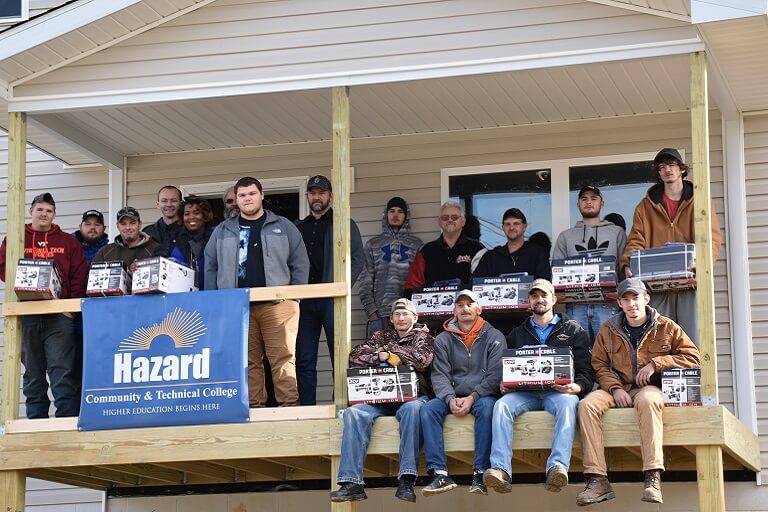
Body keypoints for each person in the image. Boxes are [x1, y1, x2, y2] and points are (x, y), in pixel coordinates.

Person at [576, 278, 700, 506]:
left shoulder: (666, 326)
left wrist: (657, 363)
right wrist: (614, 388)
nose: (631, 303)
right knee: (586, 405)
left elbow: (693, 358)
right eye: (626, 299)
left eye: (636, 297)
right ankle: (597, 479)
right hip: (617, 387)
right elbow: (599, 365)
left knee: (650, 399)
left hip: (649, 387)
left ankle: (652, 477)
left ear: (646, 298)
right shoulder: (608, 329)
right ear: (620, 303)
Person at [205, 176, 309, 407]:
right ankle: (255, 409)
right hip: (238, 305)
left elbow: (300, 262)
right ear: (236, 200)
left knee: (283, 358)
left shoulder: (283, 226)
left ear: (262, 196)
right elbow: (210, 266)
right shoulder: (222, 231)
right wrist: (215, 301)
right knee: (248, 361)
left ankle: (289, 408)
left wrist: (294, 297)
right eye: (242, 195)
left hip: (278, 303)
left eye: (251, 194)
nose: (247, 199)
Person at [484, 279, 594, 494]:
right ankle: (500, 469)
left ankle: (557, 466)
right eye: (535, 296)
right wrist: (504, 384)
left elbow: (586, 370)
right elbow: (506, 368)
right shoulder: (517, 333)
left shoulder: (573, 330)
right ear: (529, 301)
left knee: (568, 403)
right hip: (524, 393)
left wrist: (578, 387)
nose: (539, 299)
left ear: (554, 299)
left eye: (544, 295)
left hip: (558, 393)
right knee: (501, 405)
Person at [331, 298, 435, 503]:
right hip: (381, 398)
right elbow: (355, 356)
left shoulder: (424, 337)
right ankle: (351, 483)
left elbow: (422, 360)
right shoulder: (381, 336)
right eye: (397, 314)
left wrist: (390, 351)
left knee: (412, 410)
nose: (401, 318)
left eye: (405, 314)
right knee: (353, 413)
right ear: (391, 318)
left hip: (412, 397)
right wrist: (380, 357)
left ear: (415, 317)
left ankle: (406, 478)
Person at [0, 193, 88, 418]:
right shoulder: (16, 238)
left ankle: (65, 422)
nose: (44, 214)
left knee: (62, 372)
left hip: (59, 316)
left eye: (48, 211)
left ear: (54, 214)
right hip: (26, 315)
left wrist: (70, 309)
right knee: (32, 374)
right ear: (31, 212)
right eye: (40, 210)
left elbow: (79, 276)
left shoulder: (68, 242)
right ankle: (35, 421)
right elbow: (3, 268)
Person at [621, 148, 721, 341]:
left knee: (693, 339)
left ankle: (695, 372)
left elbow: (711, 238)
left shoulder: (700, 201)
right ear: (658, 173)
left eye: (672, 165)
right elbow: (636, 238)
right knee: (659, 339)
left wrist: (703, 264)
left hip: (690, 284)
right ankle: (660, 372)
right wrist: (627, 264)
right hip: (657, 286)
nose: (667, 170)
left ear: (682, 169)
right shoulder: (645, 206)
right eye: (662, 166)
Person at [420, 290, 503, 497]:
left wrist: (473, 397)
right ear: (454, 311)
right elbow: (439, 375)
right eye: (460, 305)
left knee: (489, 407)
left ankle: (480, 472)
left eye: (470, 304)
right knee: (428, 409)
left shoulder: (494, 336)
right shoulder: (442, 339)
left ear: (479, 308)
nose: (465, 308)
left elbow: (495, 375)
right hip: (452, 396)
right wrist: (449, 399)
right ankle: (439, 473)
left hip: (481, 397)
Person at [295, 175, 363, 405]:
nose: (317, 197)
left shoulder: (343, 223)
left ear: (330, 196)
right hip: (304, 301)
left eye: (321, 193)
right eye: (312, 193)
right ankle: (306, 409)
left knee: (340, 358)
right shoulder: (298, 227)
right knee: (304, 360)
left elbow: (357, 260)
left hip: (332, 300)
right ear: (307, 196)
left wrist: (342, 289)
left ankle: (341, 406)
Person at [553, 185, 627, 341]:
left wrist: (621, 294)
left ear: (602, 203)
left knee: (610, 353)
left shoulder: (617, 232)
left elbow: (624, 266)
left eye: (594, 198)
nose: (589, 202)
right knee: (580, 356)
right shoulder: (566, 236)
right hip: (576, 306)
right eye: (584, 199)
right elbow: (556, 271)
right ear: (578, 204)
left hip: (607, 305)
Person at [357, 196, 424, 337]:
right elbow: (365, 281)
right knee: (379, 357)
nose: (395, 215)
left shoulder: (417, 245)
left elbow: (420, 280)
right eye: (392, 211)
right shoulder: (373, 244)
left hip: (408, 316)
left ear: (406, 216)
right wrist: (372, 313)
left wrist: (414, 313)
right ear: (386, 214)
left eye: (400, 211)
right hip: (380, 316)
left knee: (406, 357)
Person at [404, 201, 484, 292]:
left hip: (465, 305)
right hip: (432, 305)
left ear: (463, 221)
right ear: (439, 222)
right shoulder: (426, 251)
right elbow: (412, 286)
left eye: (454, 217)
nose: (450, 220)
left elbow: (482, 285)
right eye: (445, 217)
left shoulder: (477, 249)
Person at [473, 208, 551, 281]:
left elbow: (544, 284)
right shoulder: (490, 257)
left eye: (516, 224)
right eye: (507, 224)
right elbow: (475, 284)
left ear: (524, 226)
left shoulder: (538, 253)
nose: (511, 227)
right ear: (503, 228)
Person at [92, 207, 163, 272]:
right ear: (117, 226)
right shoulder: (105, 252)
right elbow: (91, 278)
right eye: (123, 224)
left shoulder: (156, 249)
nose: (128, 227)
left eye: (132, 223)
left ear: (140, 224)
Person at [168, 196, 215, 289]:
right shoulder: (173, 237)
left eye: (196, 213)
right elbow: (160, 258)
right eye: (187, 214)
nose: (191, 217)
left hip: (212, 293)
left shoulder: (216, 235)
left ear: (204, 216)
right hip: (182, 295)